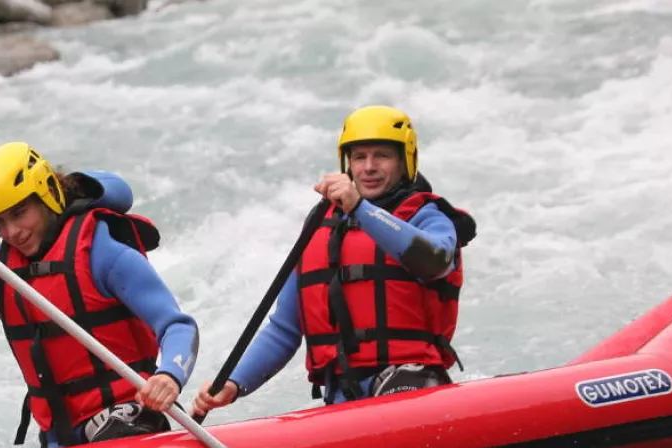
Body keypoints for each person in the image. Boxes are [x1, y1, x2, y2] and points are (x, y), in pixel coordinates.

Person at [192, 105, 476, 416]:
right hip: (343, 393)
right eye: (359, 157)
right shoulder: (321, 228)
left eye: (382, 155)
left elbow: (434, 261)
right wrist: (234, 384)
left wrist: (360, 208)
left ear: (405, 160)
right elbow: (284, 329)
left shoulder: (428, 217)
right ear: (347, 163)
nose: (369, 167)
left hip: (411, 378)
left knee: (396, 407)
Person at [0, 142, 199, 448]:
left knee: (113, 443)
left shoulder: (103, 253)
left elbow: (178, 326)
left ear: (47, 195)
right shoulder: (7, 263)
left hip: (126, 417)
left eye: (20, 213)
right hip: (60, 435)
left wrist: (170, 376)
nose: (12, 232)